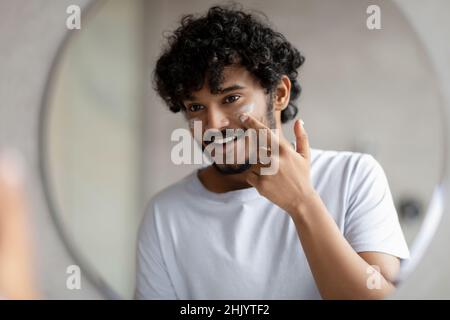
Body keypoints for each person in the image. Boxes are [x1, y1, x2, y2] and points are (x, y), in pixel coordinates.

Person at [135, 5, 409, 300]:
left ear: (279, 94)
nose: (212, 124)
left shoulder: (353, 176)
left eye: (231, 98)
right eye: (196, 107)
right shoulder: (165, 213)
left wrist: (302, 203)